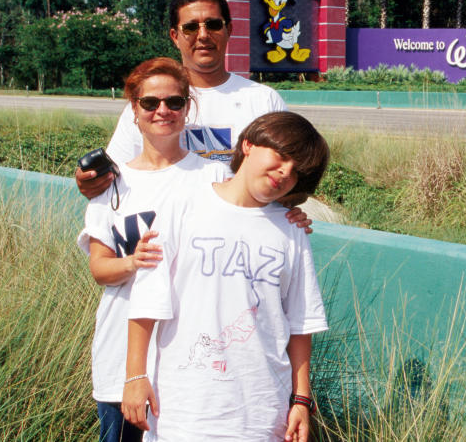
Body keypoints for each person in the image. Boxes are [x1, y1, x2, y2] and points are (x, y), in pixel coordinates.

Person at [120, 112, 330, 441]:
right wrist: (135, 376)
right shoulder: (183, 204)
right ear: (248, 144)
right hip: (182, 408)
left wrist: (301, 400)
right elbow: (149, 297)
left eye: (297, 172)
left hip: (262, 415)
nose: (285, 172)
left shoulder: (292, 229)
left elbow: (300, 323)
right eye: (282, 156)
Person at [78, 57, 229, 442]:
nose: (163, 111)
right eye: (150, 103)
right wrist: (133, 262)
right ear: (134, 110)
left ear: (187, 108)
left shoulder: (214, 176)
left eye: (174, 102)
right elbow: (99, 269)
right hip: (120, 357)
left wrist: (291, 218)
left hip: (191, 356)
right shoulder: (112, 184)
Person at [76, 0, 287, 200]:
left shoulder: (264, 101)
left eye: (213, 24)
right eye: (191, 27)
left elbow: (289, 173)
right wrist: (91, 180)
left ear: (229, 30)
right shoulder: (148, 103)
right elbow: (116, 176)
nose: (203, 35)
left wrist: (291, 205)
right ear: (175, 36)